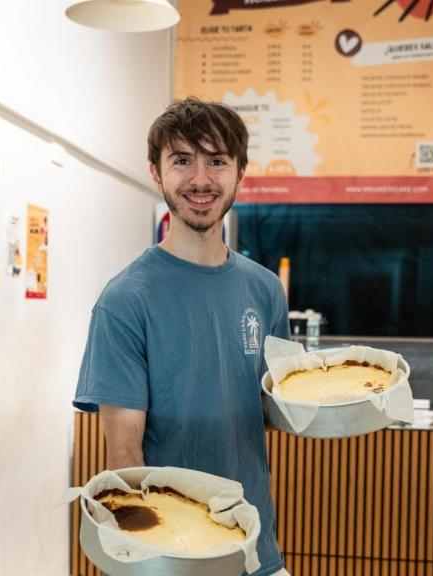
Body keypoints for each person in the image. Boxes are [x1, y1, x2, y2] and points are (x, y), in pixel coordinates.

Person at [73, 97, 290, 576]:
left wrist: (328, 402)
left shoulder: (265, 289)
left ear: (240, 173)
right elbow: (125, 457)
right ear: (156, 173)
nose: (200, 179)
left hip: (255, 551)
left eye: (216, 161)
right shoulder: (126, 299)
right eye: (182, 160)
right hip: (173, 558)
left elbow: (270, 412)